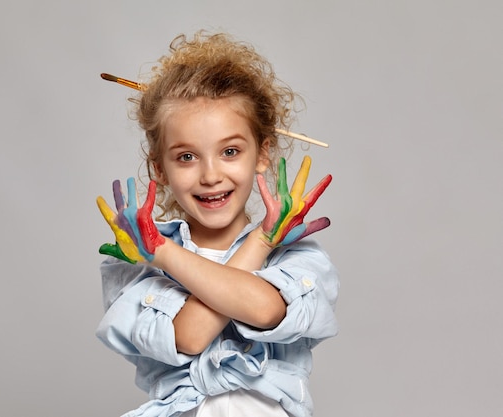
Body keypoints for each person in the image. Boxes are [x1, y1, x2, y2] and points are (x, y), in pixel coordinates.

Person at [95, 30, 339, 417]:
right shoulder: (137, 261)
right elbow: (191, 336)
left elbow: (263, 310)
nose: (210, 175)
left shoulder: (297, 254)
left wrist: (262, 240)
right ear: (160, 168)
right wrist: (160, 251)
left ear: (263, 153)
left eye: (229, 151)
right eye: (187, 156)